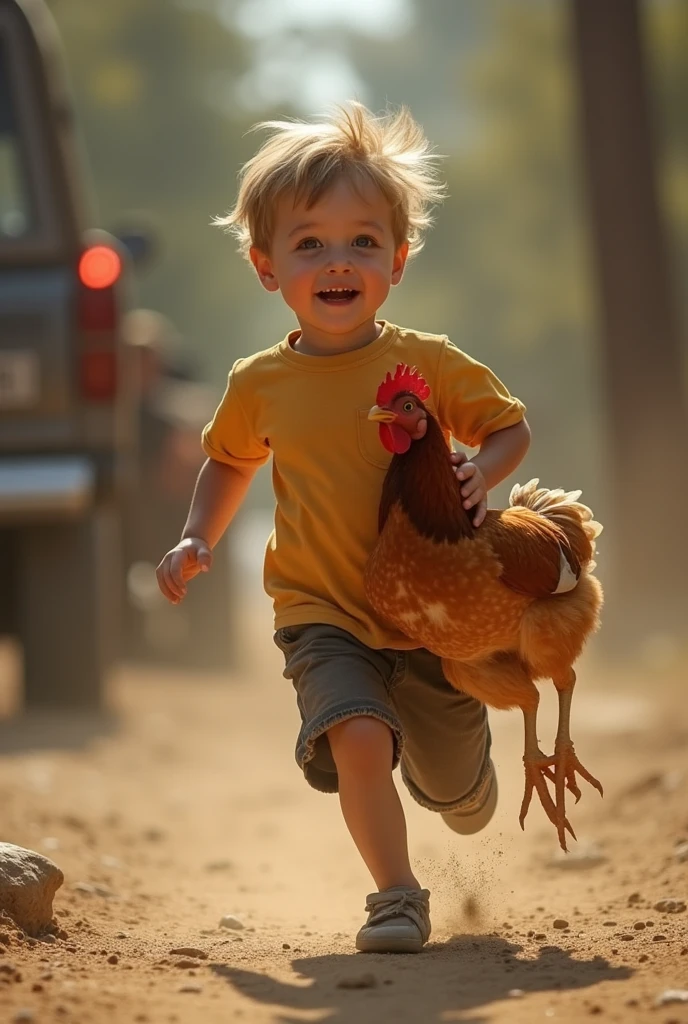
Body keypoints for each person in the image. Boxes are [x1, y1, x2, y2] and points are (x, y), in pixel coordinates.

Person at [156, 103, 531, 954]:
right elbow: (229, 462)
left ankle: (462, 782)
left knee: (453, 792)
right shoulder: (259, 383)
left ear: (397, 261)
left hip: (431, 618)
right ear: (267, 266)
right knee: (357, 735)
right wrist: (196, 537)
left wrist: (484, 468)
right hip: (318, 610)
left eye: (363, 241)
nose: (338, 261)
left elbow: (510, 426)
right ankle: (396, 895)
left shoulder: (431, 362)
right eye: (310, 243)